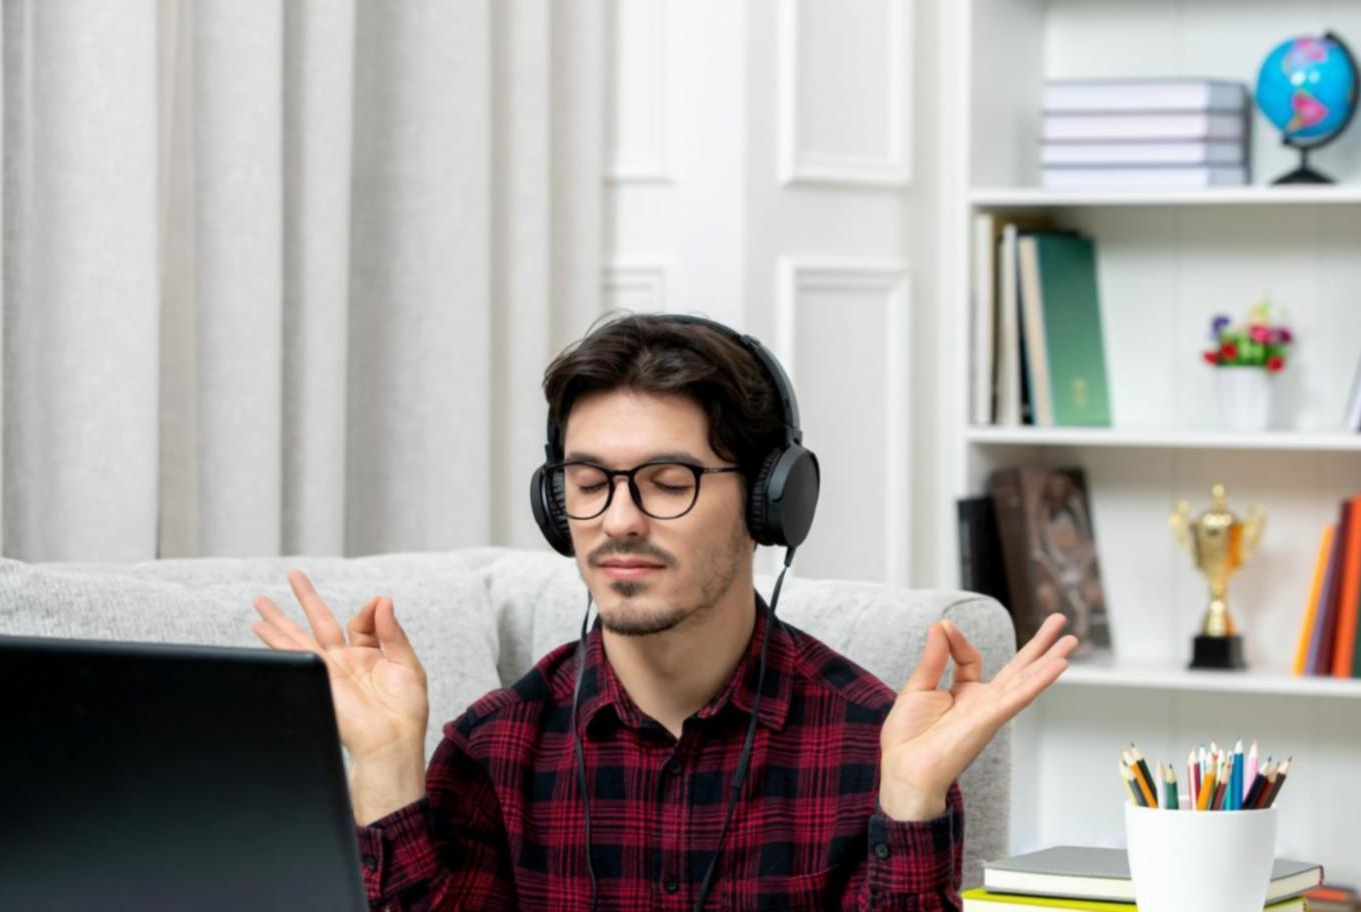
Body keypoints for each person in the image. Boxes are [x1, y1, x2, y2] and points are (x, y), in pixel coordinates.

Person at [252, 313, 1078, 910]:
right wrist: (385, 770)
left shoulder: (875, 746)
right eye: (588, 484)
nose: (618, 521)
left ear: (769, 503)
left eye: (668, 483)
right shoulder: (492, 753)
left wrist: (909, 802)